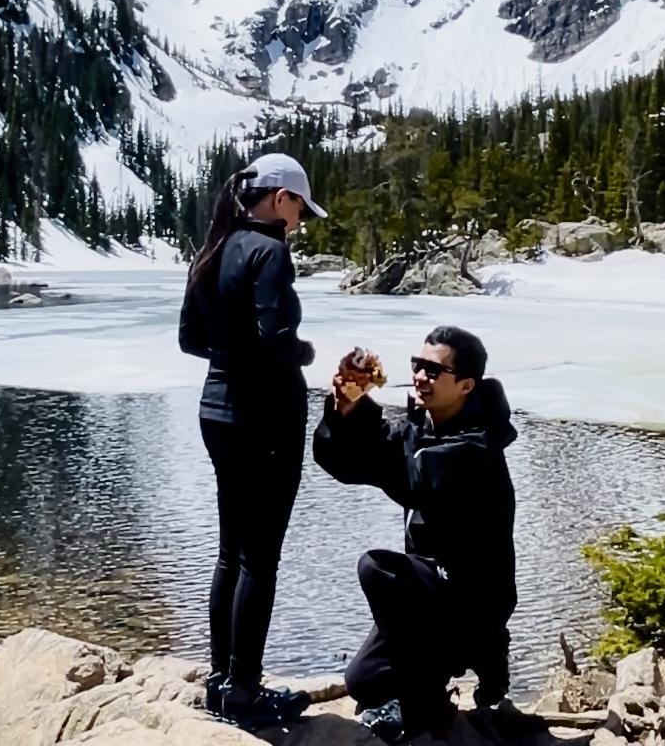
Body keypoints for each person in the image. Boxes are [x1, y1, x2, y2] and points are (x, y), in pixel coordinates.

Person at [178, 153, 327, 730]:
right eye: (299, 210)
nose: (299, 222)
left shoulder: (213, 249)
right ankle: (245, 691)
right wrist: (306, 353)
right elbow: (277, 339)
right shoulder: (269, 252)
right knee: (260, 559)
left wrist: (232, 352)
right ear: (281, 199)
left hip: (217, 412)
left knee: (229, 552)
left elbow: (192, 340)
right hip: (267, 418)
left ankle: (221, 681)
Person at [313, 326, 517, 743]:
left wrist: (371, 416)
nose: (420, 377)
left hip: (473, 602)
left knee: (378, 569)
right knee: (364, 681)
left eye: (433, 370)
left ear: (465, 385)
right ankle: (430, 676)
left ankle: (461, 673)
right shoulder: (423, 428)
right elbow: (350, 464)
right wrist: (347, 407)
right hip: (430, 593)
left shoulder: (478, 446)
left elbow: (413, 477)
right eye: (416, 366)